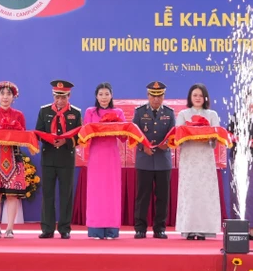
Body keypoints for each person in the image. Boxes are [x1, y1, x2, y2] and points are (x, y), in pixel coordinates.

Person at [36, 80, 82, 239]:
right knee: (47, 194)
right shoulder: (44, 111)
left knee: (65, 195)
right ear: (53, 95)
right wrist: (47, 139)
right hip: (48, 158)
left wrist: (66, 141)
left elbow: (80, 136)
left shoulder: (76, 113)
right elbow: (38, 132)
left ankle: (64, 228)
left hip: (66, 159)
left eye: (63, 97)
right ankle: (47, 228)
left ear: (69, 96)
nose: (60, 100)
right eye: (57, 96)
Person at [0, 81, 27, 239]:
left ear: (13, 97)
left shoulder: (19, 115)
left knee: (12, 195)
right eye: (2, 94)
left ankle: (9, 228)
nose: (5, 97)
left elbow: (23, 137)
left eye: (9, 94)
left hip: (14, 157)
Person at [175, 83, 221, 240]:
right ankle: (188, 228)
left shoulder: (212, 114)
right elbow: (178, 135)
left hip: (205, 158)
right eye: (194, 95)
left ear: (205, 97)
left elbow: (216, 136)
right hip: (189, 157)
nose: (197, 98)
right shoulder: (183, 114)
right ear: (190, 97)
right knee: (190, 192)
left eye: (200, 95)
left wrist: (206, 135)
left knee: (204, 192)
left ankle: (204, 229)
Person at [133, 81, 175, 240]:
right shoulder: (139, 112)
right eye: (153, 96)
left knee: (162, 196)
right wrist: (142, 147)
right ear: (148, 96)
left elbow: (173, 134)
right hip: (145, 159)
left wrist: (167, 144)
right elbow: (134, 133)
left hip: (163, 160)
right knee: (143, 196)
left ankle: (160, 228)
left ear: (164, 96)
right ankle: (140, 228)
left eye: (159, 96)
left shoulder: (170, 113)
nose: (156, 99)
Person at [83, 83, 125, 240]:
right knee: (96, 191)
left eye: (107, 94)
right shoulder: (90, 112)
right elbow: (85, 133)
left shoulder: (118, 112)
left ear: (111, 95)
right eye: (101, 94)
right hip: (96, 155)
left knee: (112, 191)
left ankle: (111, 229)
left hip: (112, 155)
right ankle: (95, 229)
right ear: (96, 96)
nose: (104, 97)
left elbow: (123, 136)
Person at [227, 88, 253, 241]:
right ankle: (238, 228)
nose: (252, 102)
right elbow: (228, 138)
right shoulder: (236, 117)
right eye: (249, 98)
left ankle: (252, 230)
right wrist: (240, 142)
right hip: (238, 161)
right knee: (237, 194)